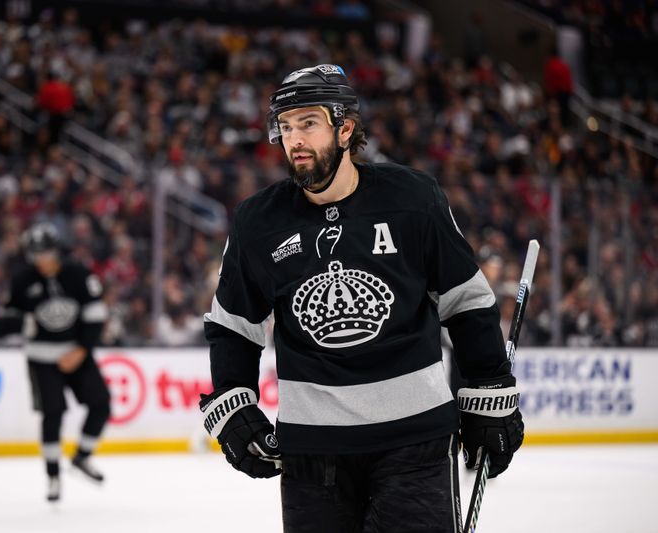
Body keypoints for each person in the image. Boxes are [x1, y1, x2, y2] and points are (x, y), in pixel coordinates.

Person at [199, 64, 524, 532]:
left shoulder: (413, 198)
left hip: (416, 446)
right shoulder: (258, 221)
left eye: (308, 123)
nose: (295, 140)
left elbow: (466, 300)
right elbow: (233, 326)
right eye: (286, 127)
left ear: (345, 128)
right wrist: (234, 406)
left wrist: (488, 387)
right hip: (312, 457)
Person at [0, 222, 110, 502]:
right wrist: (15, 322)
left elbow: (96, 315)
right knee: (53, 413)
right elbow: (3, 325)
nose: (41, 260)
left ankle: (82, 457)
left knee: (101, 403)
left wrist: (82, 349)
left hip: (77, 353)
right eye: (35, 255)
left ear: (56, 250)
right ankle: (53, 475)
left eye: (45, 253)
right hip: (42, 358)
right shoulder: (22, 280)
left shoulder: (78, 274)